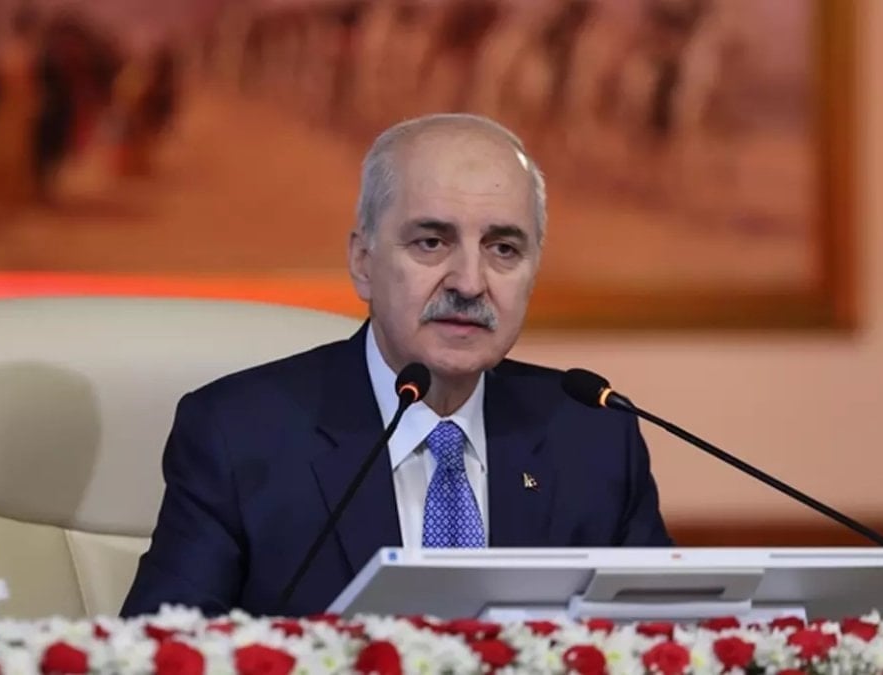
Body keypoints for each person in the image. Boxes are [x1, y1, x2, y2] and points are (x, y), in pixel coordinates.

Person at [121, 113, 671, 619]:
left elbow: (664, 640)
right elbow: (163, 652)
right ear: (363, 264)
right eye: (431, 242)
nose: (469, 283)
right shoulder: (239, 434)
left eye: (503, 249)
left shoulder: (593, 436)